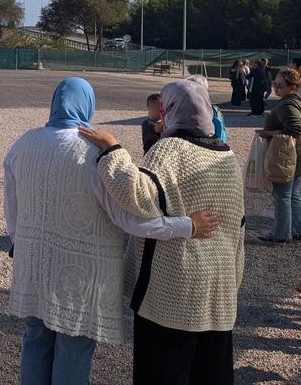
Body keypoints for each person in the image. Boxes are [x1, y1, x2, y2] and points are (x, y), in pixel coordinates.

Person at [4, 78, 216, 385]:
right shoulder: (94, 154)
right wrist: (187, 225)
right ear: (88, 105)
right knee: (74, 344)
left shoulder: (23, 143)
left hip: (34, 263)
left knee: (35, 339)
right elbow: (131, 221)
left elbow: (12, 209)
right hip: (82, 273)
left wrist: (18, 243)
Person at [79, 80, 245, 385]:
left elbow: (139, 198)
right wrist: (232, 283)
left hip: (172, 289)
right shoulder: (228, 157)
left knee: (164, 370)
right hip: (218, 289)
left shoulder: (168, 149)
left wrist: (112, 151)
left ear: (168, 110)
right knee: (209, 373)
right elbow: (238, 229)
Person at [258, 66, 301, 244]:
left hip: (287, 157)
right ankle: (299, 230)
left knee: (282, 196)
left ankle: (281, 234)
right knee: (293, 195)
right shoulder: (300, 101)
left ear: (292, 87)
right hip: (300, 154)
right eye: (275, 83)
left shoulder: (288, 104)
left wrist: (269, 133)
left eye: (280, 85)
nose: (276, 88)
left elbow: (295, 129)